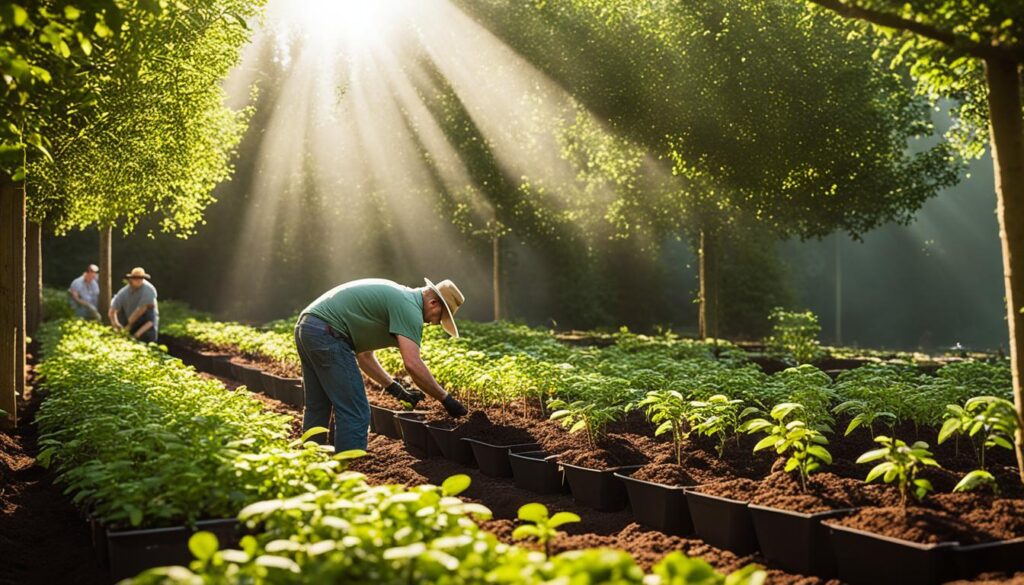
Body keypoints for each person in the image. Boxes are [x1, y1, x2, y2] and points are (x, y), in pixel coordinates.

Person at [295, 277, 469, 452]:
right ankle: (348, 471)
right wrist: (445, 399)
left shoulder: (402, 298)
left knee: (318, 405)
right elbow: (412, 364)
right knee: (356, 412)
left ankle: (310, 464)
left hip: (308, 327)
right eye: (439, 318)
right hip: (327, 334)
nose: (433, 323)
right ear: (433, 303)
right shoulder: (410, 309)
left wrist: (394, 388)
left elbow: (365, 356)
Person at [109, 267, 159, 343]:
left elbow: (141, 312)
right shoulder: (123, 292)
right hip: (130, 324)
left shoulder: (149, 290)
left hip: (146, 328)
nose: (139, 280)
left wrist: (133, 333)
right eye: (136, 278)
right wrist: (116, 325)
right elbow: (112, 311)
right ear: (131, 279)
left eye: (141, 278)